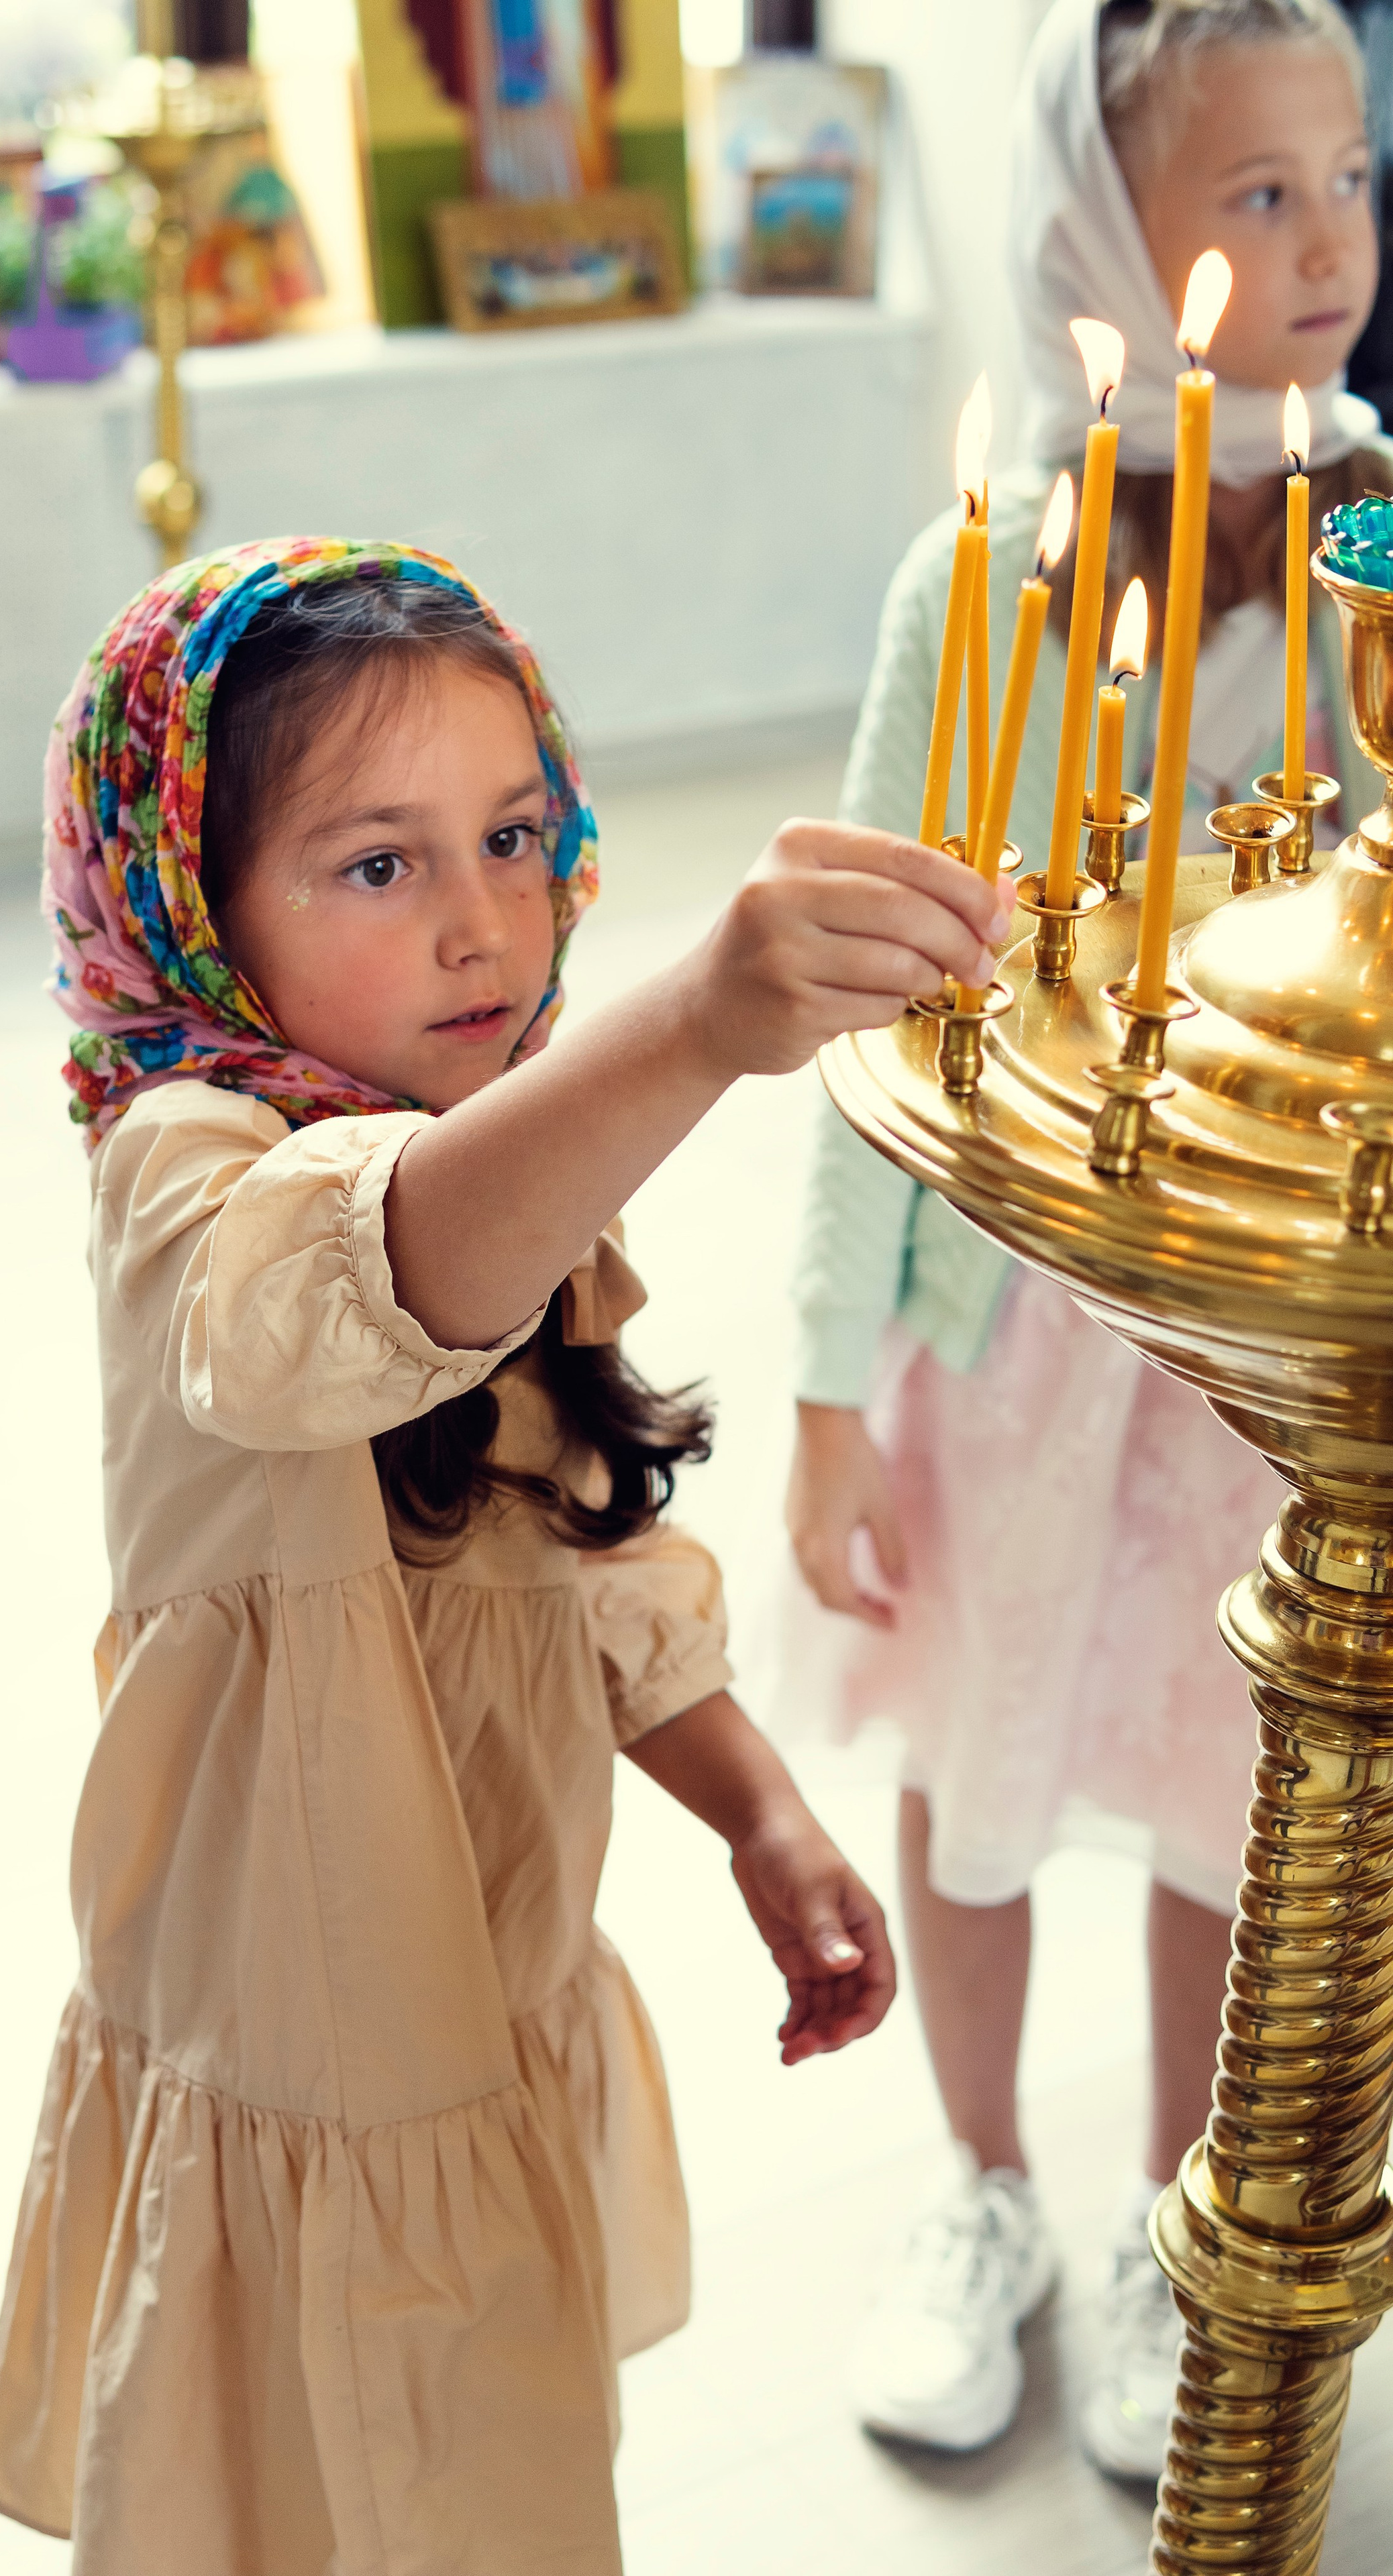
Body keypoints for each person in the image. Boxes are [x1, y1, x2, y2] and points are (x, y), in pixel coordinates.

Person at [0, 537, 1007, 2575]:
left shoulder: (501, 1142)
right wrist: (701, 1019)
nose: (484, 925)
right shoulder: (190, 1161)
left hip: (484, 1977)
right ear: (189, 910)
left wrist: (762, 1812)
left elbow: (579, 1551)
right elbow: (329, 1301)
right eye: (378, 865)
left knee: (480, 2470)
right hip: (305, 2031)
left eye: (518, 836)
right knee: (300, 2494)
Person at [782, 0, 1386, 2481]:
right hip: (1018, 1323)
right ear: (1093, 246)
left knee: (1232, 1778)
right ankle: (983, 2185)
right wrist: (829, 1382)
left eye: (1347, 176)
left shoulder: (1371, 541)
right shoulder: (988, 580)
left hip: (1262, 1340)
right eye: (1254, 198)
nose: (1329, 242)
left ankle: (1180, 2207)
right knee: (983, 1766)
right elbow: (863, 1007)